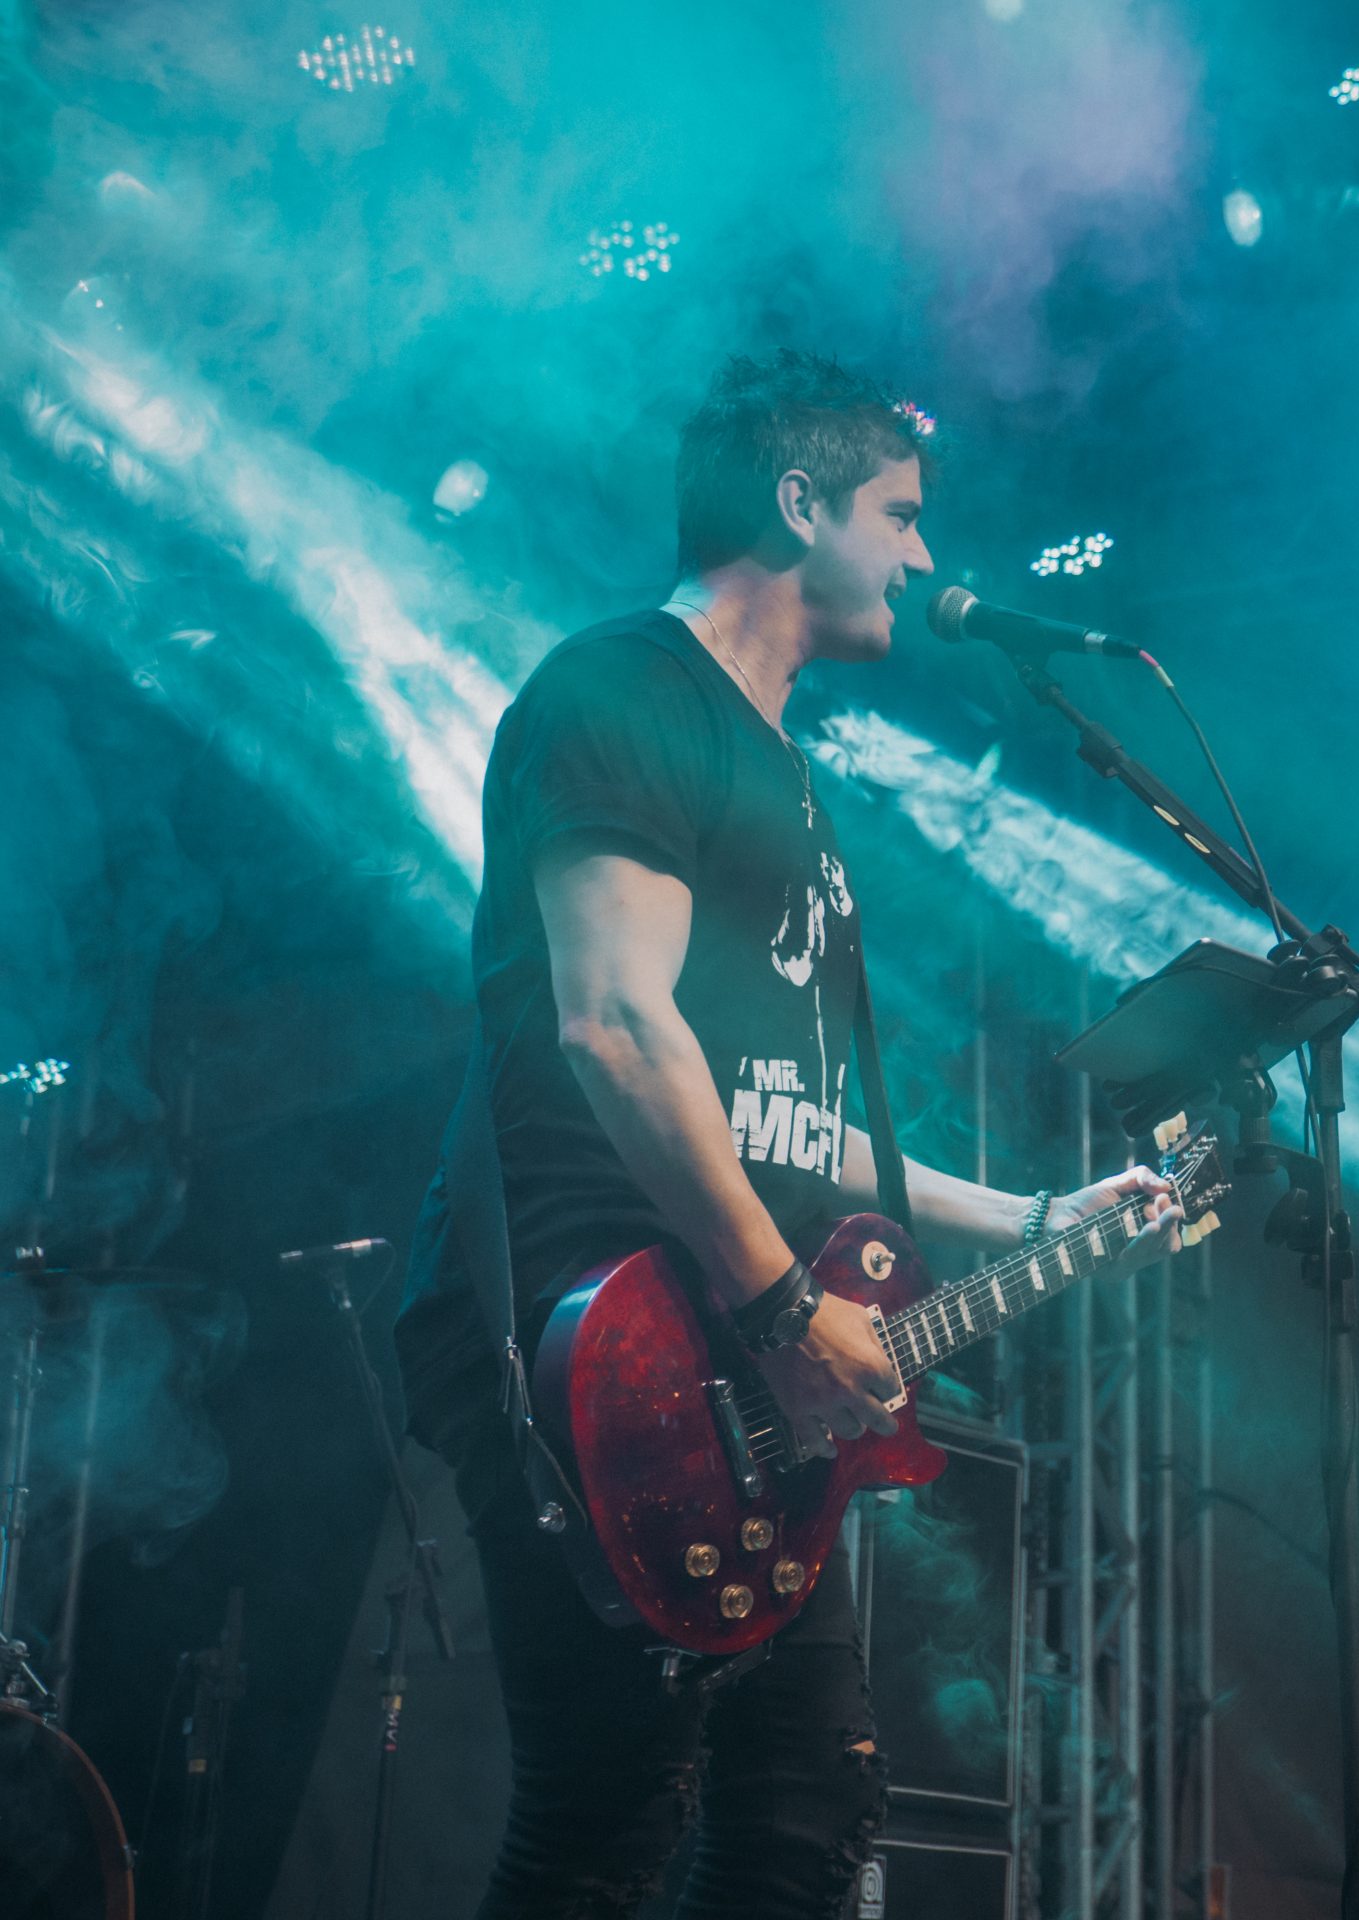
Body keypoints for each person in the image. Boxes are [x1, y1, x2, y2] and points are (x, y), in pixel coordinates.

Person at [394, 349, 1181, 1919]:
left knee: (802, 1827)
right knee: (603, 1830)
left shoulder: (794, 778)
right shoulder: (622, 692)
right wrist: (780, 1305)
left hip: (735, 1365)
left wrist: (1036, 1220)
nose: (925, 557)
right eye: (902, 513)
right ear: (800, 501)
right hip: (595, 1339)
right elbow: (616, 1025)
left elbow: (795, 1127)